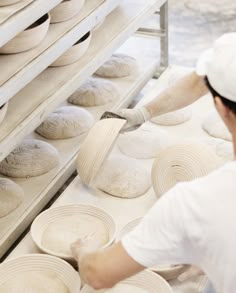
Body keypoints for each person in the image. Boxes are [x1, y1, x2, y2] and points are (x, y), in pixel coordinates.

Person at [71, 33, 236, 293]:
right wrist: (144, 112)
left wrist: (86, 253)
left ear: (221, 108)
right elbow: (198, 81)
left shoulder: (196, 202)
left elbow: (99, 275)